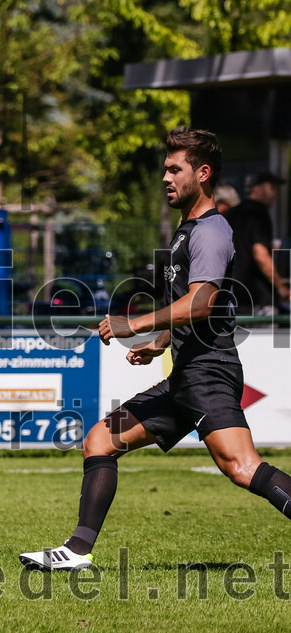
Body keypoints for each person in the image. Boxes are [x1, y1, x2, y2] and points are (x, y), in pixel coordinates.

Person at [20, 128, 291, 571]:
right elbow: (190, 306)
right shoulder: (186, 232)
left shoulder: (211, 230)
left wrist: (135, 322)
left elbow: (202, 302)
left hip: (209, 374)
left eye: (174, 169)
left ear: (202, 174)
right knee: (100, 440)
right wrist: (156, 343)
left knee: (242, 467)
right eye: (164, 169)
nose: (165, 177)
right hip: (183, 378)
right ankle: (76, 551)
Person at [226, 171, 289, 314]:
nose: (275, 194)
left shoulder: (233, 213)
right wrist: (281, 287)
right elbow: (260, 255)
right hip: (258, 298)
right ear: (257, 188)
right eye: (272, 188)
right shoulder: (258, 213)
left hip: (233, 297)